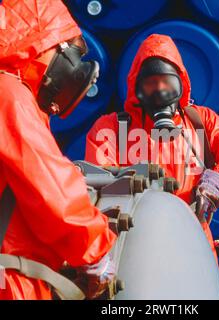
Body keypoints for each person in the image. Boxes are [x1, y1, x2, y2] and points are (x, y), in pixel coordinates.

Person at [85, 34, 219, 261]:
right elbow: (98, 187)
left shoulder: (202, 122)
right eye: (150, 84)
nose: (160, 92)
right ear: (137, 88)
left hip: (194, 245)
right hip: (134, 249)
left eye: (167, 83)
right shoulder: (112, 128)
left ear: (181, 84)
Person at [0, 0, 116, 300]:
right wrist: (96, 252)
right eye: (74, 50)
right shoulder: (10, 95)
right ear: (45, 41)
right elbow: (50, 186)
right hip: (11, 281)